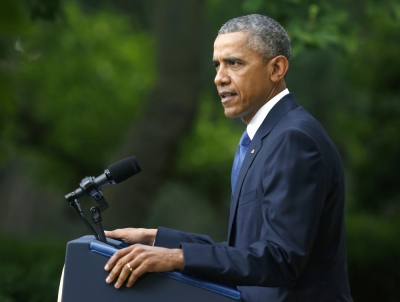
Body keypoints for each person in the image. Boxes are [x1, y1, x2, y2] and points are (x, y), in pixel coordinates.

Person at [104, 14, 353, 302]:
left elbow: (280, 259)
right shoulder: (265, 137)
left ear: (276, 68)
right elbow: (247, 248)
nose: (220, 77)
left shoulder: (293, 140)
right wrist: (156, 239)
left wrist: (177, 257)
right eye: (217, 65)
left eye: (234, 63)